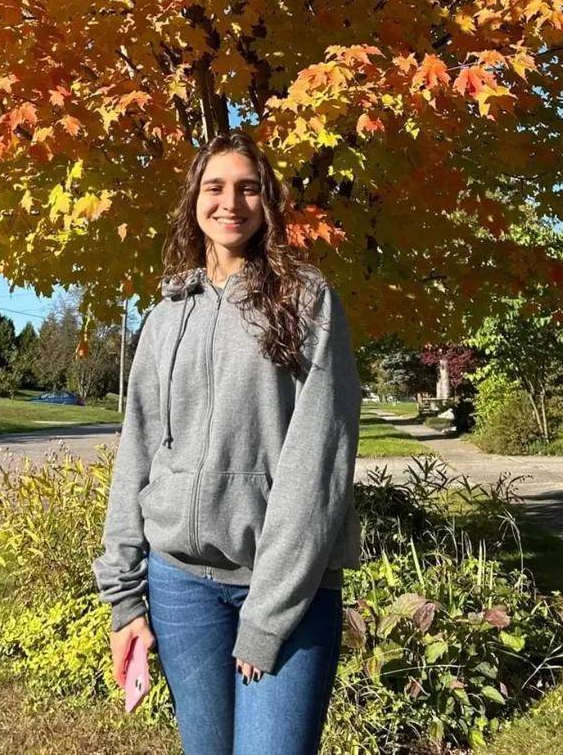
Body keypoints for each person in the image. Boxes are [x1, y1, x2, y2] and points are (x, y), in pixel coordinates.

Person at [93, 130, 362, 755]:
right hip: (180, 585)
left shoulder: (305, 298)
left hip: (285, 591)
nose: (230, 202)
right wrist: (124, 599)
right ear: (194, 200)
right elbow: (136, 454)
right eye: (215, 187)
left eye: (248, 188)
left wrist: (267, 614)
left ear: (268, 201)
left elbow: (318, 461)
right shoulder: (165, 316)